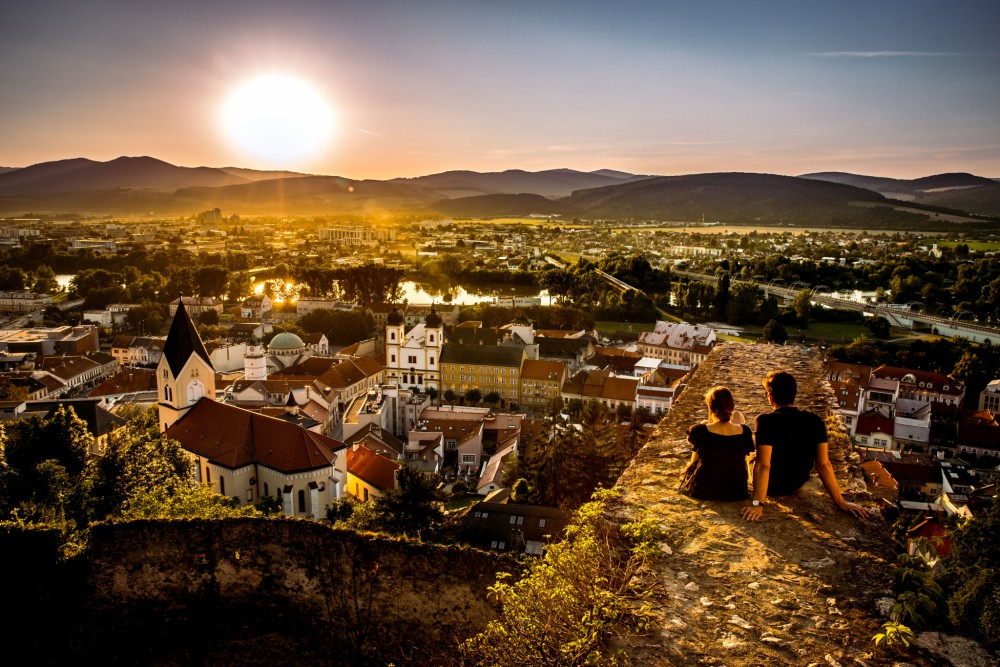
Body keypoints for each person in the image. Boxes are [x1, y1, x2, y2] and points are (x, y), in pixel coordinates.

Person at [742, 370, 869, 521]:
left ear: (770, 395)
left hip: (772, 487)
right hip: (796, 484)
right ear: (794, 395)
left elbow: (763, 465)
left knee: (751, 449)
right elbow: (823, 465)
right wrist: (841, 502)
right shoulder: (814, 421)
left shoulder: (764, 420)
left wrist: (758, 504)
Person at [680, 386, 755, 501]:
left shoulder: (698, 430)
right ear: (732, 407)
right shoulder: (745, 432)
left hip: (704, 490)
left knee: (698, 451)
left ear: (710, 407)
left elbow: (691, 441)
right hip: (736, 492)